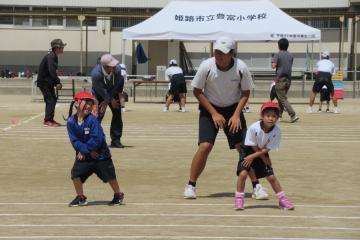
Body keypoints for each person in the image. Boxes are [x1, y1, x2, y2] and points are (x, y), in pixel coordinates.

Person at [183, 36, 268, 200]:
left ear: (232, 53)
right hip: (210, 108)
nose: (219, 55)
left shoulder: (240, 67)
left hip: (233, 109)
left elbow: (245, 92)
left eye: (222, 52)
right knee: (205, 146)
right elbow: (197, 91)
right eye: (216, 52)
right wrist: (214, 113)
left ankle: (257, 186)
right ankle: (190, 186)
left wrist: (236, 114)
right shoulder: (206, 66)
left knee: (243, 147)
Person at [66, 91, 124, 207]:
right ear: (77, 104)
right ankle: (80, 197)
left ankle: (118, 194)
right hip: (85, 155)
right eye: (85, 103)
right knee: (75, 174)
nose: (88, 106)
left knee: (110, 176)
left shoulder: (93, 120)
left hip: (100, 155)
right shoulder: (71, 122)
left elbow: (97, 138)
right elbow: (75, 141)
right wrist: (84, 151)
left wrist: (85, 150)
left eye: (90, 104)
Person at [234, 101, 294, 210]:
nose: (271, 118)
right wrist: (255, 157)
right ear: (262, 116)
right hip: (248, 150)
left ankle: (282, 200)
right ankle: (239, 199)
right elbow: (253, 146)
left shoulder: (277, 131)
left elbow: (268, 148)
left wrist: (263, 158)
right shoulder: (254, 127)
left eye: (274, 116)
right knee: (243, 174)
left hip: (262, 151)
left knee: (271, 177)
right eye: (268, 115)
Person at [91, 54, 125, 148]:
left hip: (112, 93)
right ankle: (94, 141)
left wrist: (110, 100)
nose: (115, 67)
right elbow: (100, 89)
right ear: (105, 66)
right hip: (99, 94)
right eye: (112, 66)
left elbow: (117, 84)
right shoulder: (96, 74)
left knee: (117, 115)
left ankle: (116, 140)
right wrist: (106, 101)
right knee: (97, 116)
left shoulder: (117, 69)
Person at [36, 38, 66, 127]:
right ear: (56, 48)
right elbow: (51, 71)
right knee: (51, 100)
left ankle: (50, 119)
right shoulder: (51, 56)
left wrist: (55, 82)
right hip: (44, 82)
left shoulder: (53, 55)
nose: (63, 48)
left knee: (52, 99)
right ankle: (48, 120)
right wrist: (57, 82)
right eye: (61, 47)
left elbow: (51, 72)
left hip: (47, 82)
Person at [271, 38, 299, 123]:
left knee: (282, 99)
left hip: (280, 80)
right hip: (288, 80)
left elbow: (273, 66)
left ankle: (293, 114)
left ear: (279, 46)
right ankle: (278, 116)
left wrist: (273, 60)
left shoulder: (278, 54)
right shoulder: (291, 55)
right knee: (281, 99)